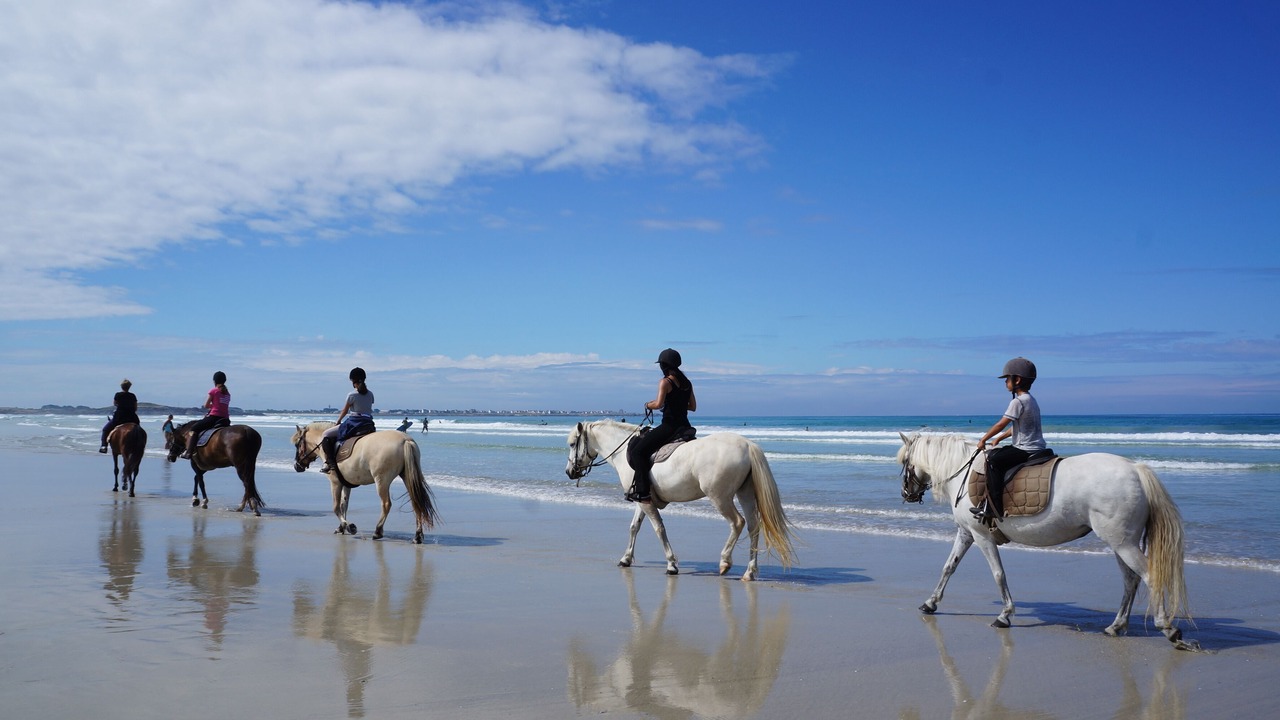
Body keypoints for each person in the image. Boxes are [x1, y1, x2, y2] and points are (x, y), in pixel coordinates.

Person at [971, 357, 1046, 523]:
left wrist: (984, 439)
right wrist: (999, 438)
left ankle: (993, 507)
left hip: (1024, 449)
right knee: (999, 453)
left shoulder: (1017, 402)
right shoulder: (1031, 400)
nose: (1005, 382)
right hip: (1038, 447)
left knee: (992, 461)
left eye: (1007, 379)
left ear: (1017, 379)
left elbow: (1001, 424)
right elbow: (1016, 427)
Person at [625, 348, 697, 503]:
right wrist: (678, 404)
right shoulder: (687, 383)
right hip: (685, 426)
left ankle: (643, 493)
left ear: (663, 365)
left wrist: (648, 404)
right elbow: (692, 406)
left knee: (638, 451)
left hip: (670, 427)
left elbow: (658, 404)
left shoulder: (665, 382)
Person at [320, 367, 376, 473]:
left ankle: (330, 463)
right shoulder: (370, 394)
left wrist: (338, 421)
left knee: (326, 434)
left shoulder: (352, 395)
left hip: (354, 423)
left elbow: (345, 411)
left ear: (352, 381)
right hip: (368, 423)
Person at [181, 372, 232, 459]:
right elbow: (223, 406)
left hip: (214, 417)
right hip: (225, 419)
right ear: (224, 381)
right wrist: (216, 405)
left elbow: (206, 405)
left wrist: (213, 406)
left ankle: (189, 452)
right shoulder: (227, 394)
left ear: (214, 381)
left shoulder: (213, 391)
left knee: (194, 429)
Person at [99, 379, 141, 452]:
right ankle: (140, 445)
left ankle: (104, 446)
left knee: (105, 430)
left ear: (122, 387)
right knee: (139, 431)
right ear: (129, 387)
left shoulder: (118, 395)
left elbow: (115, 403)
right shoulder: (133, 396)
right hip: (132, 418)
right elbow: (135, 408)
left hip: (119, 417)